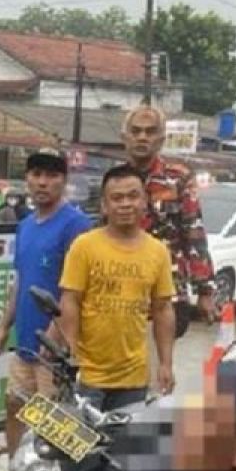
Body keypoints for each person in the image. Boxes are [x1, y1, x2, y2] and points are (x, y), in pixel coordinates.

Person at [0, 150, 90, 471]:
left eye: (52, 176)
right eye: (37, 175)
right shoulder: (25, 225)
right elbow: (21, 280)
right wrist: (3, 325)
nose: (43, 182)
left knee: (53, 419)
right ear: (26, 179)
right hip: (25, 340)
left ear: (64, 181)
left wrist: (56, 335)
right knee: (15, 406)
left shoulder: (76, 225)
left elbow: (76, 289)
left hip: (56, 349)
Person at [57, 165, 175, 411]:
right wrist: (71, 355)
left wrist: (165, 363)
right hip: (88, 376)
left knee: (127, 448)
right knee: (81, 446)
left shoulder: (158, 252)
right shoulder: (84, 246)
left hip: (134, 379)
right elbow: (70, 301)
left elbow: (163, 310)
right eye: (117, 198)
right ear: (104, 206)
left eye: (133, 196)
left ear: (145, 202)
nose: (125, 204)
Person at [89, 105, 216, 324]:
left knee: (158, 356)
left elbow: (194, 233)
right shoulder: (113, 180)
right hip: (122, 289)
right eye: (136, 131)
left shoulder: (179, 179)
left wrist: (205, 291)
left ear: (161, 138)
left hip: (167, 290)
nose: (142, 137)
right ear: (124, 137)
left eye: (150, 132)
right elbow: (102, 232)